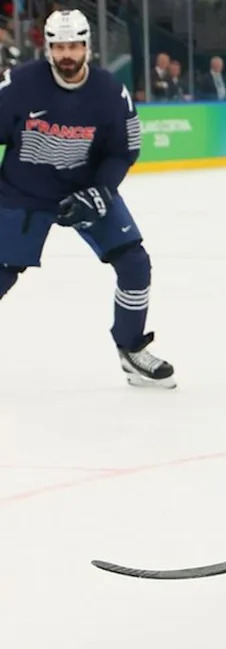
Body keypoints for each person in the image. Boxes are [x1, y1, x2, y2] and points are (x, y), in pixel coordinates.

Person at [0, 9, 174, 387]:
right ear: (47, 48)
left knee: (134, 264)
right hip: (25, 192)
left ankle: (131, 349)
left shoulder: (110, 92)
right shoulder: (20, 84)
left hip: (87, 190)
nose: (66, 54)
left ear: (87, 48)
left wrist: (102, 190)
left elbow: (124, 149)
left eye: (74, 46)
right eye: (59, 46)